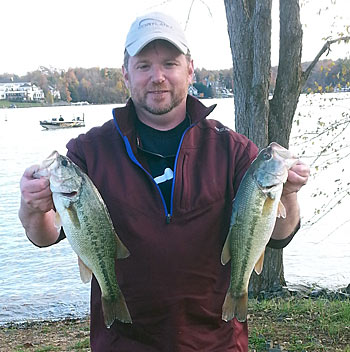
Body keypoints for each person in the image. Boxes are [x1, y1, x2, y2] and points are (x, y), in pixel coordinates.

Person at [19, 11, 310, 352]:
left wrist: (287, 194)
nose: (157, 77)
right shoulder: (88, 152)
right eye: (144, 65)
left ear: (190, 69)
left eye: (169, 63)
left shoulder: (233, 149)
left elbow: (278, 236)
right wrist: (32, 208)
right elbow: (47, 234)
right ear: (125, 73)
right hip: (124, 343)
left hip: (215, 342)